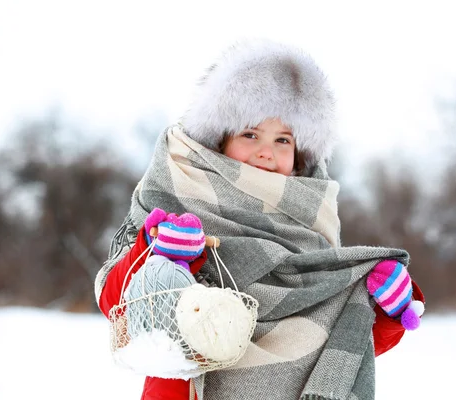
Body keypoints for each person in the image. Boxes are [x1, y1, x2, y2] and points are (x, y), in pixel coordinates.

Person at [94, 39, 425, 400]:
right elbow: (121, 309)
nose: (266, 152)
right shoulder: (177, 203)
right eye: (250, 134)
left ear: (300, 153)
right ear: (219, 140)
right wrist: (160, 258)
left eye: (283, 140)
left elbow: (331, 343)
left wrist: (382, 310)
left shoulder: (311, 221)